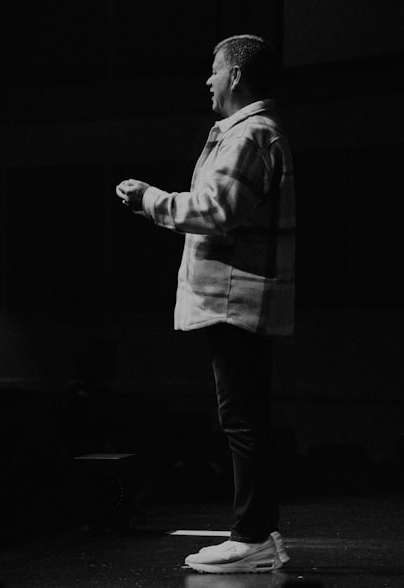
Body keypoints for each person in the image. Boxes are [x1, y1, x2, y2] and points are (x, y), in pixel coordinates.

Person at [116, 34, 294, 574]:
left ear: (237, 76)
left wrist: (149, 200)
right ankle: (259, 532)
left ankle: (252, 536)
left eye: (214, 70)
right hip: (241, 297)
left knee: (240, 418)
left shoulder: (250, 134)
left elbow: (216, 210)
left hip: (235, 297)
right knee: (246, 417)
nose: (208, 80)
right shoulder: (255, 132)